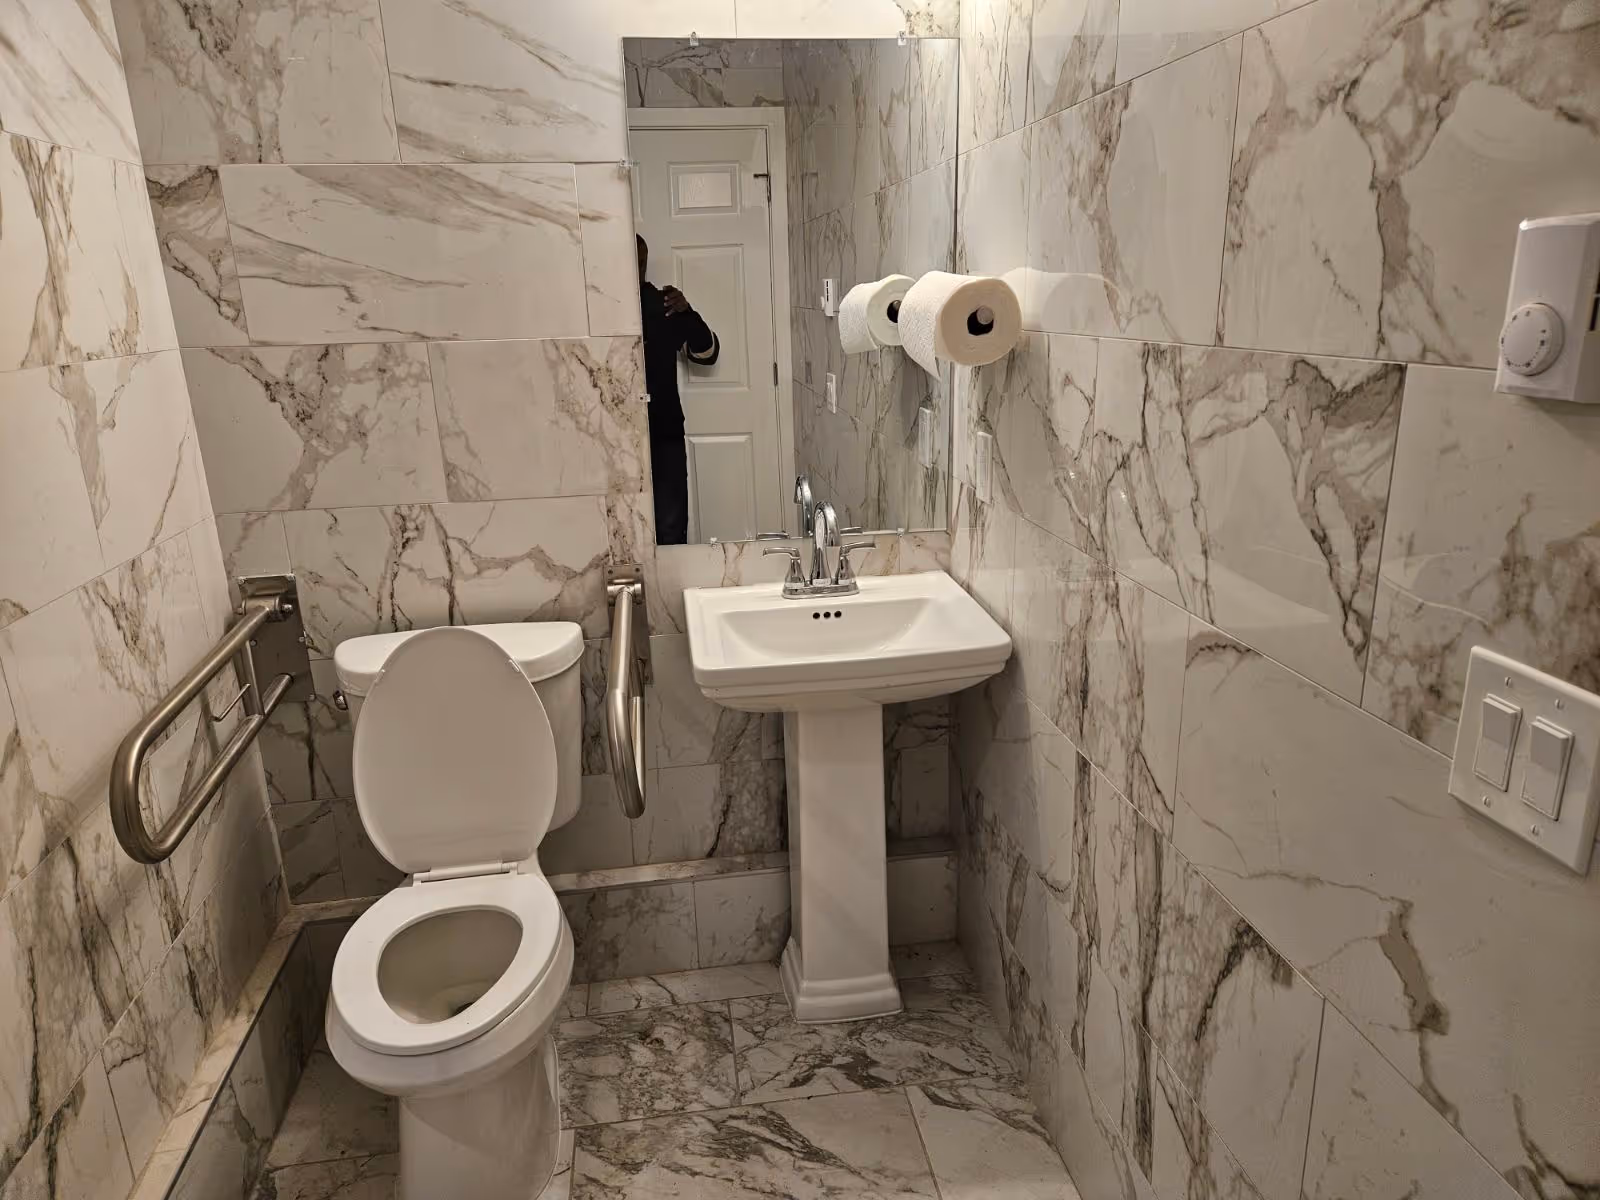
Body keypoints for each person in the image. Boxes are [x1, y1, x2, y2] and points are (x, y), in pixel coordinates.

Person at [638, 235, 719, 545]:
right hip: (626, 437)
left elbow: (707, 352)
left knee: (667, 532)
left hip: (663, 433)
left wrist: (687, 311)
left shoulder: (665, 306)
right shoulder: (601, 308)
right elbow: (708, 353)